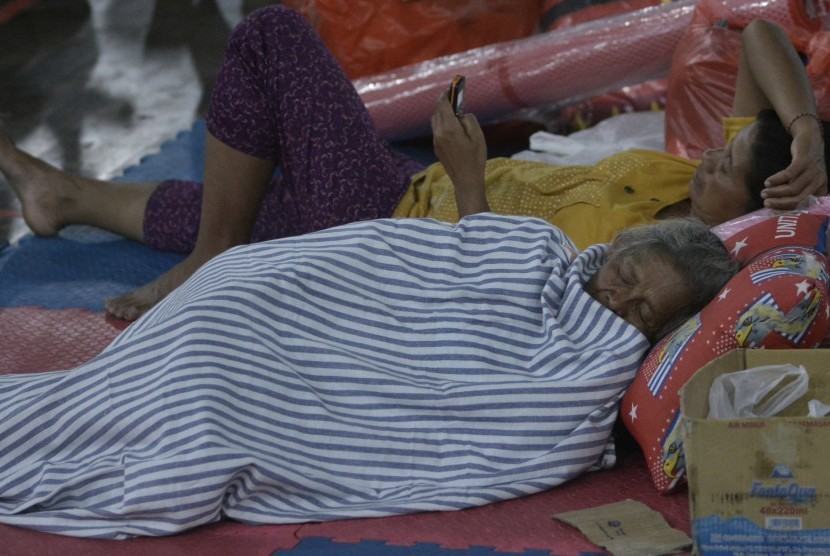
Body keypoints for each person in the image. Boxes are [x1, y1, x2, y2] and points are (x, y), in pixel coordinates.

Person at [0, 7, 824, 322]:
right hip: (404, 194)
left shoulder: (660, 266)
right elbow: (756, 36)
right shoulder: (691, 187)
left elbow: (504, 309)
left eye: (727, 163)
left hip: (397, 238)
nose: (711, 149)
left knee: (271, 39)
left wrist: (469, 178)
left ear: (748, 210)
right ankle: (61, 194)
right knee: (251, 202)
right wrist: (804, 125)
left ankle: (210, 259)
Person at [0, 207, 739, 538]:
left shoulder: (595, 365)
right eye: (629, 273)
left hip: (267, 382)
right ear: (623, 243)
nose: (618, 299)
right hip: (262, 300)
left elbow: (517, 409)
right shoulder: (539, 248)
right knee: (197, 342)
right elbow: (419, 262)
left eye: (644, 313)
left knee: (201, 420)